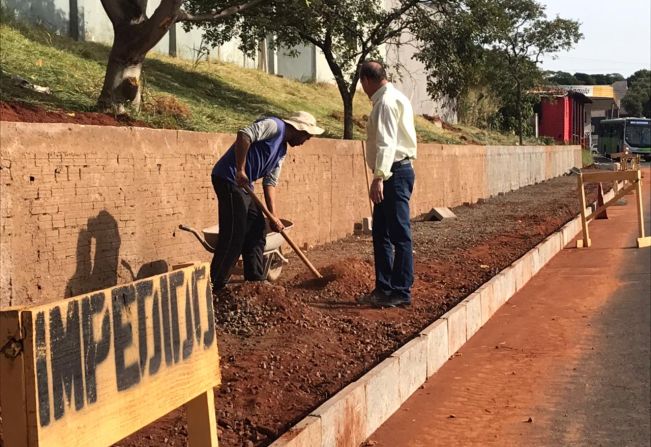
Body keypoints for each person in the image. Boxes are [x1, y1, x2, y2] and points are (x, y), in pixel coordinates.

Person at [210, 111, 324, 292]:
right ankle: (216, 284)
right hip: (228, 178)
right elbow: (244, 135)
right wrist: (240, 169)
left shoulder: (282, 150)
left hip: (245, 187)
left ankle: (256, 282)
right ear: (298, 129)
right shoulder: (274, 125)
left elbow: (270, 182)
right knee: (234, 233)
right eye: (306, 137)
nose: (304, 142)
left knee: (257, 229)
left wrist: (272, 216)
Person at [358, 60, 417, 308]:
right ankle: (384, 288)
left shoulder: (385, 103)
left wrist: (379, 177)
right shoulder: (394, 97)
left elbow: (387, 143)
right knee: (381, 233)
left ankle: (400, 291)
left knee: (399, 235)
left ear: (367, 81)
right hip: (395, 172)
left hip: (393, 174)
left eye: (362, 83)